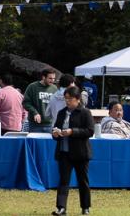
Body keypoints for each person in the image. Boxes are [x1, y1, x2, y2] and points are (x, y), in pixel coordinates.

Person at [51, 87, 93, 215]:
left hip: (81, 153)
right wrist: (55, 133)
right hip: (64, 152)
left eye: (70, 99)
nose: (67, 101)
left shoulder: (85, 112)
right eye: (66, 98)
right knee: (63, 181)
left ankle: (85, 207)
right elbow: (55, 128)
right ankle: (61, 208)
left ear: (78, 99)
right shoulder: (61, 112)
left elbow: (89, 131)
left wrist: (72, 131)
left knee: (83, 181)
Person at [24, 68, 59, 133]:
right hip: (35, 125)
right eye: (50, 78)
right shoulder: (32, 87)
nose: (52, 81)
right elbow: (26, 103)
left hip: (50, 124)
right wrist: (35, 112)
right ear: (43, 77)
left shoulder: (54, 88)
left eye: (54, 78)